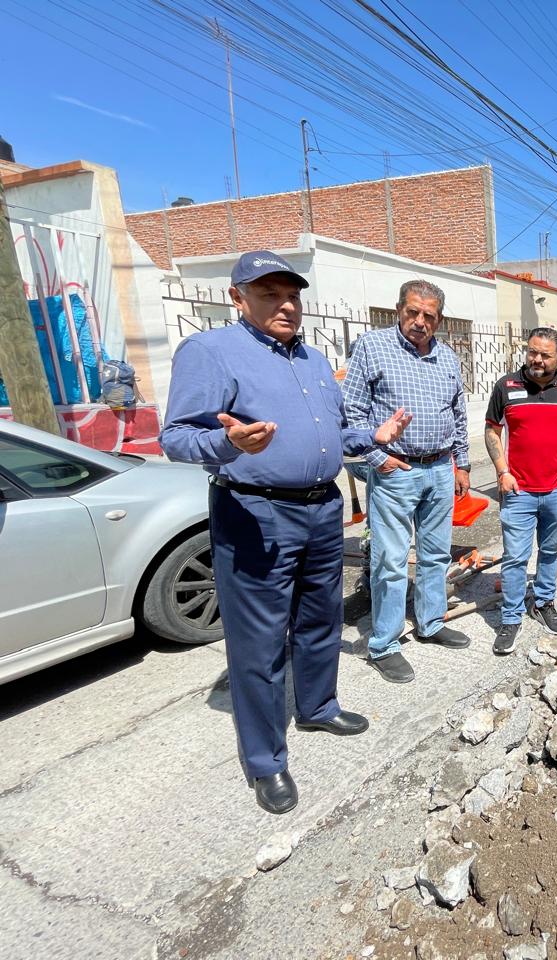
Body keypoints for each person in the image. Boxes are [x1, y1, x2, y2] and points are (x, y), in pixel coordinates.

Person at [161, 250, 410, 814]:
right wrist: (228, 444)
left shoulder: (315, 360)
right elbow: (175, 437)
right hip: (255, 513)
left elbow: (338, 434)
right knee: (260, 639)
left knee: (321, 616)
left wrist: (375, 434)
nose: (287, 305)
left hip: (321, 510)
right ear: (238, 297)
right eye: (270, 293)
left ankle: (318, 707)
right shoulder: (210, 352)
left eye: (292, 294)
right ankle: (266, 761)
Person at [342, 280, 471, 685]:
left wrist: (462, 464)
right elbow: (351, 413)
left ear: (439, 319)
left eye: (428, 315)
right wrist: (379, 459)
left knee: (435, 555)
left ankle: (431, 622)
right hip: (397, 472)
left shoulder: (448, 357)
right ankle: (384, 643)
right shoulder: (372, 346)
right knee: (390, 561)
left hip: (439, 469)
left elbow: (459, 413)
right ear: (399, 309)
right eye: (412, 312)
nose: (419, 321)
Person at [484, 328, 557, 655]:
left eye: (545, 355)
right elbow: (492, 430)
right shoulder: (506, 386)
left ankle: (544, 602)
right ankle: (510, 617)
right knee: (516, 557)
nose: (537, 359)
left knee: (550, 551)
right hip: (518, 491)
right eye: (532, 352)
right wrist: (502, 471)